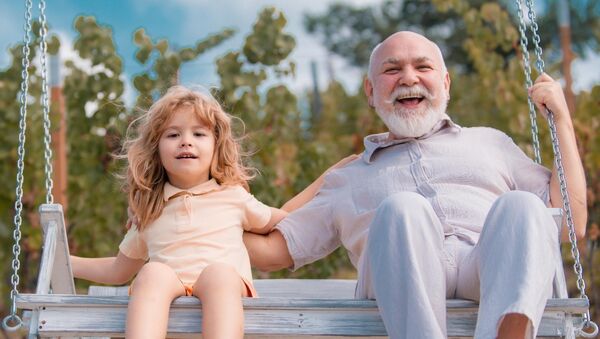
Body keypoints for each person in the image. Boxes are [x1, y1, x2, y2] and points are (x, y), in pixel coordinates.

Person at [244, 31, 587, 339]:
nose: (409, 78)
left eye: (423, 67)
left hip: (486, 267)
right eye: (392, 70)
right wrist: (198, 208)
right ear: (370, 90)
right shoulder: (348, 177)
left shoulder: (492, 143)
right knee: (401, 208)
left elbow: (570, 221)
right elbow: (271, 254)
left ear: (446, 83)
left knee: (523, 206)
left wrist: (561, 122)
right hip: (400, 286)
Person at [69, 86, 330, 339]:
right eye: (173, 135)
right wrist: (68, 263)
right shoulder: (149, 210)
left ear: (216, 147)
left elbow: (286, 220)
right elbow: (118, 270)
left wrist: (329, 181)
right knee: (152, 273)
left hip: (223, 291)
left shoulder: (233, 197)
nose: (185, 141)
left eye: (199, 134)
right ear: (157, 152)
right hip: (168, 291)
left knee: (219, 273)